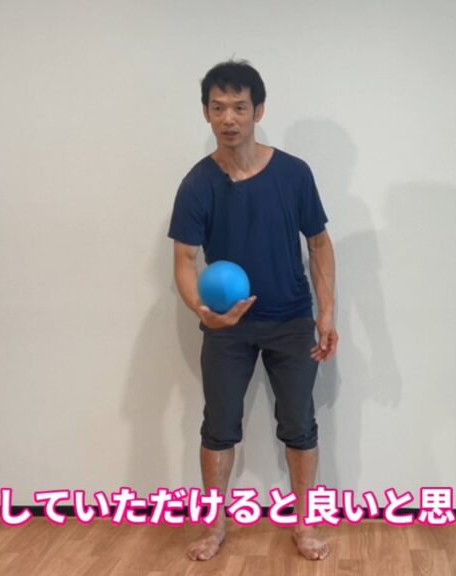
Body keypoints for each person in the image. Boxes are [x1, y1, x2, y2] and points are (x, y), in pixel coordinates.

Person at [167, 59, 338, 562]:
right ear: (206, 113)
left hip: (292, 320)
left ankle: (305, 524)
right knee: (218, 426)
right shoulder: (197, 184)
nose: (229, 118)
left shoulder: (294, 174)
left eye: (239, 107)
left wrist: (326, 313)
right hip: (227, 327)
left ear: (258, 110)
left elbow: (319, 244)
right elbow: (184, 260)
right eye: (218, 107)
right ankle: (214, 525)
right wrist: (203, 310)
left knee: (300, 423)